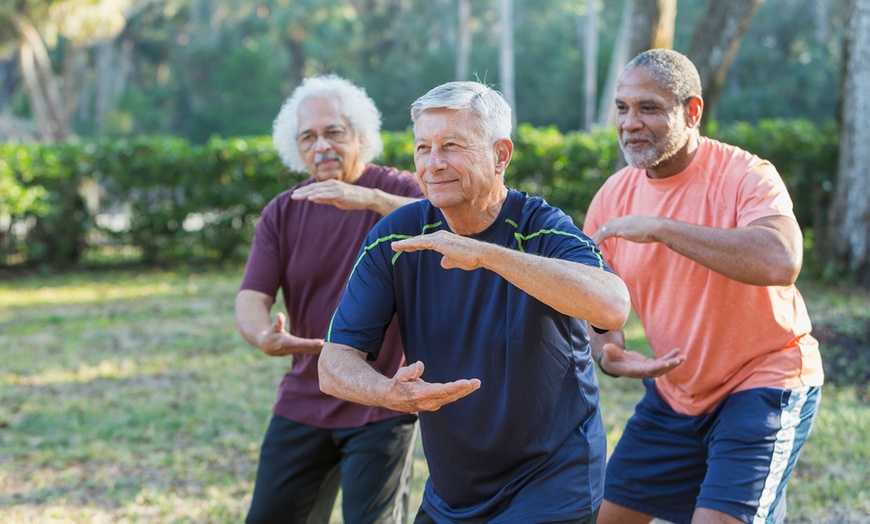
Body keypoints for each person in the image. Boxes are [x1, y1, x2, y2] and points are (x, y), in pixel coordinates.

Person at [317, 80, 631, 524]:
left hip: (553, 483)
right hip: (453, 492)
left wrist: (487, 254)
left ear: (501, 155)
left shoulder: (540, 228)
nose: (433, 163)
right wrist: (387, 393)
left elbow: (613, 305)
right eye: (423, 147)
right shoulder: (397, 236)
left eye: (451, 146)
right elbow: (332, 364)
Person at [582, 48, 825, 524]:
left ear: (692, 112)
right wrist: (608, 350)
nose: (630, 123)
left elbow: (781, 260)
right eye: (623, 108)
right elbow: (594, 297)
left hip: (764, 380)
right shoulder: (612, 197)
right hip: (675, 392)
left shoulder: (746, 175)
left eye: (649, 108)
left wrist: (662, 228)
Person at [235, 74, 424, 524]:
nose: (321, 146)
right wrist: (263, 335)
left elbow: (443, 219)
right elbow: (250, 296)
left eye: (333, 132)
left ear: (361, 135)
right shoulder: (284, 210)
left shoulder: (400, 192)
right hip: (307, 393)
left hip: (382, 397)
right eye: (308, 137)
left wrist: (367, 199)